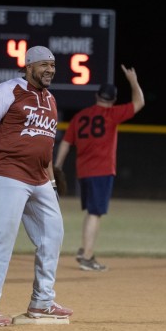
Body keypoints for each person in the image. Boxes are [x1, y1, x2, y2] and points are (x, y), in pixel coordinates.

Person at [0, 46, 72, 326]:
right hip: (8, 174)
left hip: (40, 179)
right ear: (29, 66)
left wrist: (50, 181)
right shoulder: (9, 89)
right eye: (44, 65)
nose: (50, 69)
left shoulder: (50, 99)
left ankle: (42, 302)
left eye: (53, 65)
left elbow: (46, 143)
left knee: (54, 233)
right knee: (2, 239)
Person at [54, 64, 145, 272]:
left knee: (91, 212)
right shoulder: (112, 114)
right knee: (96, 213)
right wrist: (133, 81)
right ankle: (86, 257)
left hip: (83, 172)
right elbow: (139, 102)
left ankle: (85, 250)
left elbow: (66, 142)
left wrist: (58, 166)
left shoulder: (80, 117)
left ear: (97, 96)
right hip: (102, 171)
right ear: (112, 100)